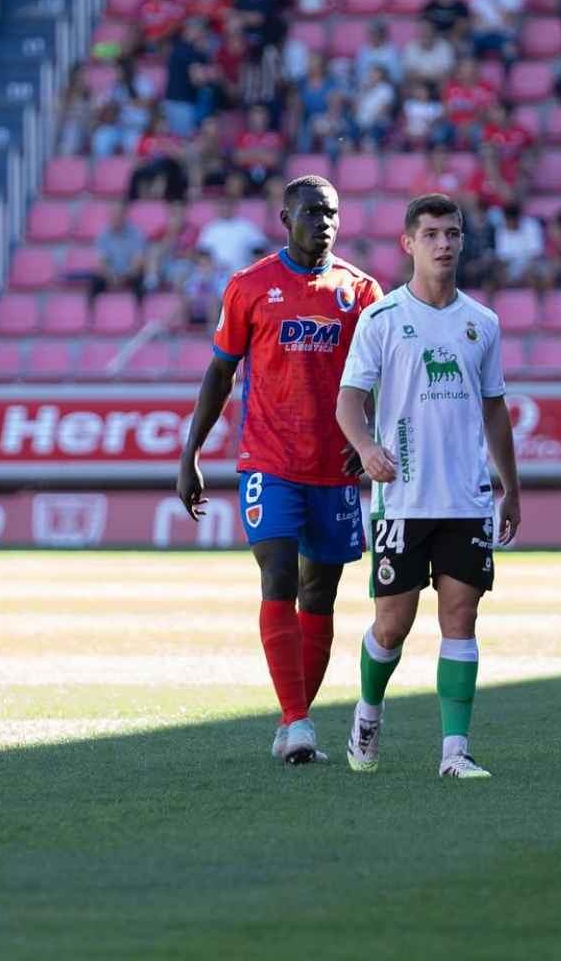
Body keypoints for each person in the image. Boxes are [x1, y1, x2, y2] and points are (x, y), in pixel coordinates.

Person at [176, 176, 384, 766]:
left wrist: (366, 439)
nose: (324, 222)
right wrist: (190, 453)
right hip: (268, 460)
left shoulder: (362, 293)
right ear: (284, 218)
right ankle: (296, 720)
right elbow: (219, 374)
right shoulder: (248, 286)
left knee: (321, 592)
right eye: (312, 212)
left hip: (334, 466)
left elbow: (384, 376)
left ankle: (296, 718)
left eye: (333, 213)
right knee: (278, 577)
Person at [334, 191, 520, 780]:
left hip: (465, 498)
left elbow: (495, 411)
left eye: (452, 233)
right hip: (404, 498)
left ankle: (454, 752)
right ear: (409, 243)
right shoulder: (382, 319)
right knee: (393, 625)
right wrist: (366, 449)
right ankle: (367, 711)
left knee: (460, 619)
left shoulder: (481, 323)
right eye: (432, 234)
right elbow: (348, 402)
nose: (443, 244)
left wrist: (510, 487)